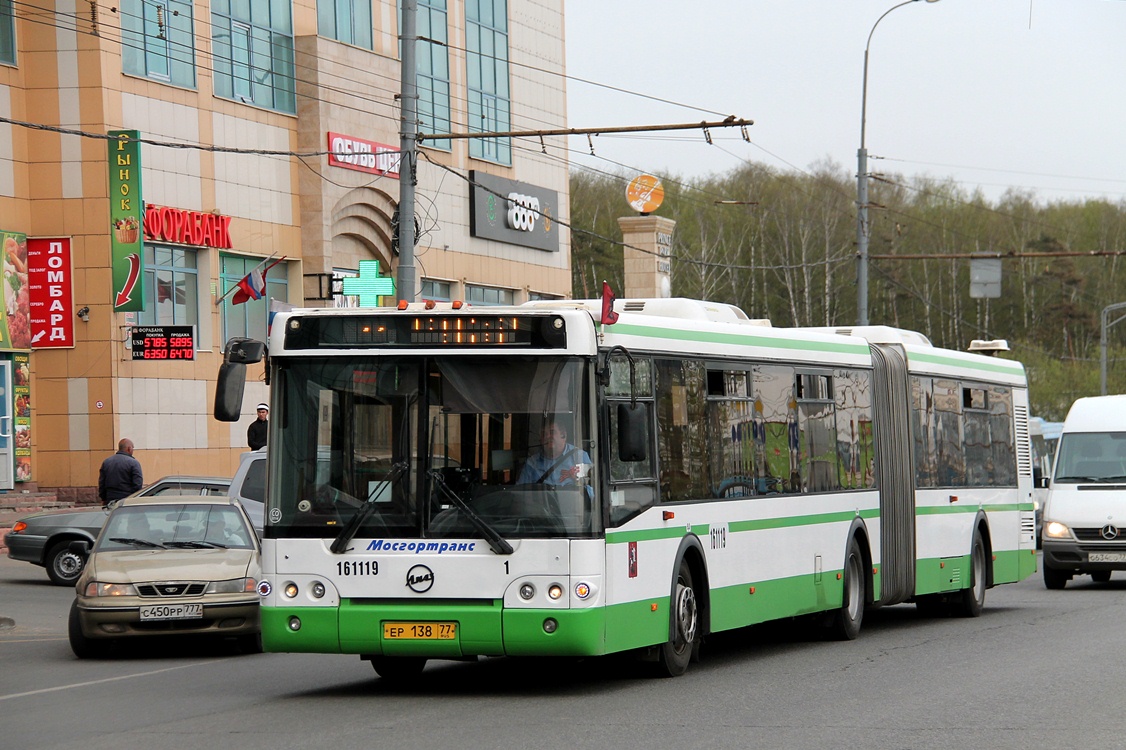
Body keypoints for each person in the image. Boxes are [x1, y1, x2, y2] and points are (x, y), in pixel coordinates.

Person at [518, 418, 592, 486]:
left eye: (552, 432)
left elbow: (591, 493)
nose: (547, 437)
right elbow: (521, 493)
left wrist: (577, 480)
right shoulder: (531, 464)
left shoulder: (580, 457)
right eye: (544, 434)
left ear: (563, 435)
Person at [98, 438, 143, 506]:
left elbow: (102, 483)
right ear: (129, 448)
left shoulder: (106, 462)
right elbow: (137, 484)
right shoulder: (134, 463)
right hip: (127, 500)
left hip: (110, 499)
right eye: (133, 448)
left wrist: (104, 498)